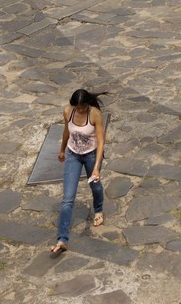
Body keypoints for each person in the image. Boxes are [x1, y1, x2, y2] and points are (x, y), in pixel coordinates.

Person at [50, 88, 106, 255]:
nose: (80, 110)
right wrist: (62, 150)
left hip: (91, 155)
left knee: (95, 186)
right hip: (73, 154)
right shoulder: (68, 111)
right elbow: (67, 131)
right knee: (67, 199)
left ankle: (98, 209)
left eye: (83, 108)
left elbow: (102, 141)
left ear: (87, 105)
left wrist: (96, 167)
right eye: (77, 107)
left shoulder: (95, 114)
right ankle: (62, 239)